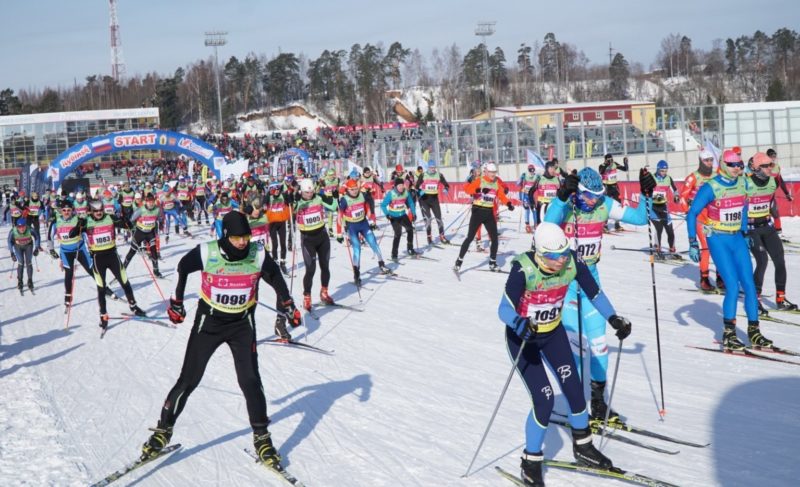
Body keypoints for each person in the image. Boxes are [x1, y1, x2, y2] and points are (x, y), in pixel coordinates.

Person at [140, 211, 302, 468]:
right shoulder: (208, 252)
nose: (242, 242)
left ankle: (262, 438)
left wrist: (288, 304)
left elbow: (273, 275)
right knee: (189, 379)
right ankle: (163, 431)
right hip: (210, 323)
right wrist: (177, 302)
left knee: (250, 380)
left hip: (242, 324)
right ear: (226, 235)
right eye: (237, 237)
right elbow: (182, 267)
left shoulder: (256, 253)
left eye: (246, 236)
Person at [497, 222, 631, 486]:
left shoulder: (572, 262)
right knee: (544, 400)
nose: (559, 261)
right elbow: (503, 309)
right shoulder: (522, 268)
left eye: (562, 254)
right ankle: (531, 460)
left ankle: (583, 447)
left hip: (552, 334)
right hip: (524, 340)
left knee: (573, 389)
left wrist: (614, 318)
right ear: (538, 253)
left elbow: (595, 293)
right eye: (552, 256)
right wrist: (519, 323)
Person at [544, 166, 654, 421]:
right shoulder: (568, 205)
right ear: (578, 192)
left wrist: (647, 193)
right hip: (564, 283)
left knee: (599, 346)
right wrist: (561, 197)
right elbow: (547, 227)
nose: (593, 201)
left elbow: (639, 218)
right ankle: (577, 406)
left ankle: (598, 404)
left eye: (598, 195)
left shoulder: (604, 204)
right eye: (589, 196)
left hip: (590, 280)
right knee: (576, 348)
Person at [687, 149, 768, 352]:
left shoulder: (742, 183)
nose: (737, 168)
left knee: (749, 285)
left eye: (740, 164)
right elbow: (692, 213)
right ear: (723, 165)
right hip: (718, 239)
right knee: (732, 285)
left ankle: (754, 332)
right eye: (733, 165)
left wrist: (745, 231)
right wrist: (692, 242)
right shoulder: (711, 187)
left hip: (737, 238)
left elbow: (743, 207)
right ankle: (729, 334)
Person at [69, 199, 146, 330]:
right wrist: (78, 226)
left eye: (100, 210)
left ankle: (133, 306)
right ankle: (103, 315)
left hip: (112, 256)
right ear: (91, 211)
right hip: (98, 258)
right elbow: (72, 235)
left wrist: (126, 220)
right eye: (96, 211)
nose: (99, 213)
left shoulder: (109, 217)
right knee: (101, 288)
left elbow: (126, 225)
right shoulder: (87, 221)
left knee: (125, 281)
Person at [746, 152, 797, 312]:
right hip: (751, 229)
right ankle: (755, 300)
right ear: (756, 167)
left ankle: (780, 299)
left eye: (771, 165)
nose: (770, 168)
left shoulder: (772, 182)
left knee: (780, 261)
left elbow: (770, 200)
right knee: (762, 261)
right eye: (766, 165)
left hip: (767, 227)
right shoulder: (745, 183)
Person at [454, 163, 513, 272]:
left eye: (494, 172)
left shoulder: (496, 183)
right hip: (477, 211)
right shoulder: (480, 180)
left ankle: (492, 262)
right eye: (491, 172)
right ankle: (459, 260)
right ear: (486, 172)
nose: (493, 175)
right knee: (470, 238)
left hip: (489, 213)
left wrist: (508, 204)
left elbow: (501, 195)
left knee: (495, 239)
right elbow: (468, 190)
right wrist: (479, 190)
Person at [294, 178, 338, 310]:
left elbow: (333, 207)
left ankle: (324, 293)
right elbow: (289, 213)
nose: (310, 194)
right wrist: (290, 201)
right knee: (311, 269)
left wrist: (335, 198)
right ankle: (307, 297)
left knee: (325, 266)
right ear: (302, 192)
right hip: (308, 239)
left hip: (322, 236)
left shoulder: (319, 197)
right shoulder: (298, 202)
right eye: (307, 193)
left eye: (311, 192)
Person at [680, 150, 719, 291]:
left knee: (719, 248)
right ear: (700, 161)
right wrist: (687, 212)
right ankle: (704, 279)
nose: (709, 163)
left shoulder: (716, 176)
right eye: (706, 160)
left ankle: (720, 277)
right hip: (700, 218)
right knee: (706, 247)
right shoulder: (693, 177)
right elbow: (683, 197)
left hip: (715, 218)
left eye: (711, 160)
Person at [339, 178, 389, 286]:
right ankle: (356, 274)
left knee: (373, 243)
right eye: (352, 190)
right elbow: (340, 215)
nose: (355, 191)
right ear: (348, 190)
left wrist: (370, 218)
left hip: (363, 223)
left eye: (356, 189)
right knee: (357, 249)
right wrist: (342, 230)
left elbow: (367, 206)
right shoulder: (344, 200)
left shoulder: (361, 195)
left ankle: (381, 264)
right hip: (352, 226)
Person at [123, 193, 163, 278]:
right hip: (140, 233)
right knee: (132, 251)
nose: (151, 203)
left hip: (150, 233)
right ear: (145, 202)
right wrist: (130, 226)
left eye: (152, 202)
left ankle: (156, 271)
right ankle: (122, 270)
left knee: (154, 252)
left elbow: (159, 218)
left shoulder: (157, 210)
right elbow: (131, 220)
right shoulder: (140, 210)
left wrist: (160, 223)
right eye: (149, 202)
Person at [649, 160, 680, 257]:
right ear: (658, 170)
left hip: (663, 207)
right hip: (653, 207)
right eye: (662, 171)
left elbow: (675, 189)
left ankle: (672, 248)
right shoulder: (652, 178)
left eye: (666, 171)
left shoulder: (668, 178)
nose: (664, 173)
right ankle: (657, 247)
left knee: (670, 229)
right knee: (659, 228)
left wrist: (676, 196)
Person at [380, 178, 417, 261]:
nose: (401, 187)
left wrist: (413, 213)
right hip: (394, 217)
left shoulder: (406, 193)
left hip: (403, 215)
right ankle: (394, 254)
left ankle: (410, 248)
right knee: (398, 234)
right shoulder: (391, 194)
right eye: (399, 185)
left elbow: (411, 202)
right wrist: (387, 214)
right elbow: (383, 205)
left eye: (402, 185)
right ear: (395, 186)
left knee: (410, 229)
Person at [414, 160, 450, 244]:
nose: (432, 169)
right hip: (424, 200)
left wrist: (446, 189)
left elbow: (446, 184)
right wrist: (420, 191)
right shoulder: (423, 175)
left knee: (439, 218)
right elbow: (416, 187)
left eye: (434, 167)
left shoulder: (439, 175)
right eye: (431, 167)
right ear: (428, 168)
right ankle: (429, 237)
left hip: (434, 200)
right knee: (428, 219)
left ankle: (442, 236)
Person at [526, 161, 562, 233]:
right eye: (551, 168)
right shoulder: (540, 179)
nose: (553, 170)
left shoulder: (557, 179)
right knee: (541, 228)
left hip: (553, 207)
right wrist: (532, 202)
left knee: (553, 228)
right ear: (546, 168)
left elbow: (561, 193)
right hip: (542, 206)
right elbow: (531, 191)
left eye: (554, 168)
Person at [265, 182, 292, 275]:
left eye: (278, 190)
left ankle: (283, 262)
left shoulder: (283, 195)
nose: (277, 192)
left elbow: (290, 201)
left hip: (281, 222)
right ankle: (275, 261)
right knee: (275, 244)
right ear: (271, 190)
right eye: (274, 190)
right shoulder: (269, 197)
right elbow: (263, 203)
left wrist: (290, 195)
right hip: (272, 223)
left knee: (283, 244)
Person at [765, 148, 793, 235]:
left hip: (771, 195)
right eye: (771, 156)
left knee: (775, 214)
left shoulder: (776, 167)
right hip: (762, 196)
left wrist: (787, 194)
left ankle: (778, 233)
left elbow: (780, 181)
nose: (773, 158)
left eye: (774, 156)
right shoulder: (762, 166)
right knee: (764, 215)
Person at [8, 217, 39, 293]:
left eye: (23, 226)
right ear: (17, 226)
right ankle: (20, 281)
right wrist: (12, 253)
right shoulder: (13, 231)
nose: (21, 228)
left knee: (29, 262)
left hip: (28, 245)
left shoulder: (30, 229)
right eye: (19, 227)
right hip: (18, 246)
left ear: (26, 225)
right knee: (21, 263)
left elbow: (37, 237)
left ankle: (30, 281)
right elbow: (9, 242)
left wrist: (37, 248)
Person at [598, 154, 629, 231]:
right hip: (606, 187)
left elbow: (625, 169)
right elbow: (601, 172)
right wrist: (606, 164)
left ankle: (617, 224)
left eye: (611, 159)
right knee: (607, 206)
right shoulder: (602, 165)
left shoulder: (614, 164)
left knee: (618, 204)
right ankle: (605, 225)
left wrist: (625, 162)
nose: (610, 161)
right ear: (605, 160)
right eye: (608, 160)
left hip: (614, 186)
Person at [518, 164, 538, 233]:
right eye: (530, 170)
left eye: (533, 170)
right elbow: (518, 184)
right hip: (526, 196)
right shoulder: (525, 175)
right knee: (527, 210)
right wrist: (521, 178)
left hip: (532, 196)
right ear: (528, 170)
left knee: (534, 210)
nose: (532, 171)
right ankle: (527, 225)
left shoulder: (536, 176)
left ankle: (536, 224)